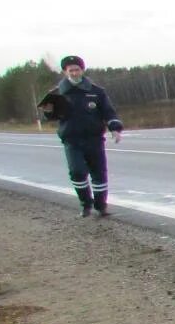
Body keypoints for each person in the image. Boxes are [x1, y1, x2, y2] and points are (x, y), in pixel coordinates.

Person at [37, 54, 123, 216]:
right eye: (71, 70)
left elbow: (108, 112)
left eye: (77, 70)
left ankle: (101, 206)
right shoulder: (57, 93)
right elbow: (52, 116)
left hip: (94, 139)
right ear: (65, 72)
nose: (74, 73)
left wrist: (115, 129)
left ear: (82, 70)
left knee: (99, 173)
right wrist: (48, 112)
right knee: (77, 172)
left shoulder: (97, 92)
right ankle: (85, 204)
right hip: (71, 139)